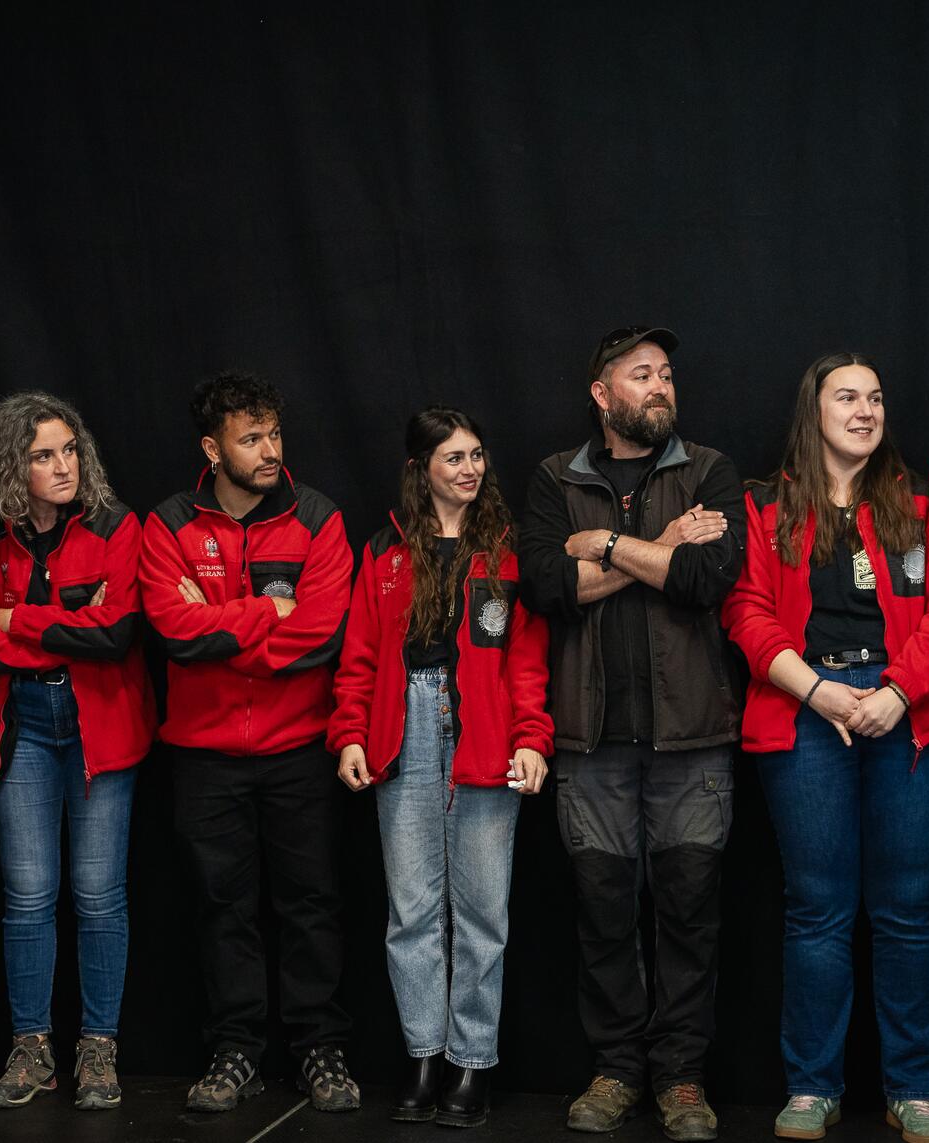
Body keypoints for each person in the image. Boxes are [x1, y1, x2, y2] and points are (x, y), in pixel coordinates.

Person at [724, 353, 929, 1143]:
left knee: (904, 911)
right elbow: (747, 612)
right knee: (818, 910)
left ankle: (916, 1088)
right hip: (804, 712)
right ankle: (812, 1086)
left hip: (909, 714)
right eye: (847, 397)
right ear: (813, 410)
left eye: (876, 396)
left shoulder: (920, 505)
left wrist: (897, 693)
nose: (865, 410)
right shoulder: (767, 507)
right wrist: (819, 692)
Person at [518, 326, 745, 1143]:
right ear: (601, 393)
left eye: (667, 374)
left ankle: (682, 1079)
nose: (661, 386)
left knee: (690, 913)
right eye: (642, 374)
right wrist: (656, 550)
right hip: (590, 745)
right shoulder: (554, 478)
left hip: (693, 742)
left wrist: (606, 547)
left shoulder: (709, 470)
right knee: (604, 913)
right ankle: (616, 1069)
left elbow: (703, 580)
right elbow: (545, 585)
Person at [138, 370, 360, 1114]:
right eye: (251, 437)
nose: (270, 450)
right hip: (203, 755)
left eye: (274, 433)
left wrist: (224, 619)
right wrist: (269, 608)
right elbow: (173, 632)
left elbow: (320, 636)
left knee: (312, 903)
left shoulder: (318, 517)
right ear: (212, 447)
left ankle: (319, 1047)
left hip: (299, 750)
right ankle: (236, 1048)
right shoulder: (167, 523)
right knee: (220, 905)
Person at [330, 406, 553, 1128]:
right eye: (453, 456)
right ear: (419, 469)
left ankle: (471, 1063)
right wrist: (350, 735)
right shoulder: (385, 551)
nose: (470, 467)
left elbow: (525, 659)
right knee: (412, 910)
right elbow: (361, 654)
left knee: (483, 910)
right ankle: (424, 1053)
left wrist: (532, 737)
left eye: (477, 455)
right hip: (405, 731)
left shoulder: (505, 550)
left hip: (484, 733)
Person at [0, 392, 155, 1110]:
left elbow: (117, 633)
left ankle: (99, 1049)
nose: (64, 466)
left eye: (69, 449)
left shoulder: (114, 522)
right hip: (21, 722)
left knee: (99, 897)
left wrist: (23, 618)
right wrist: (69, 619)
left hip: (101, 722)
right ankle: (30, 1047)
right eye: (43, 455)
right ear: (12, 463)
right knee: (28, 897)